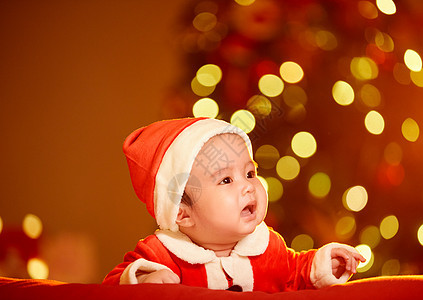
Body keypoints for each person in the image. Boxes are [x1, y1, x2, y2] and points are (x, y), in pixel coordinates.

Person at [103, 117, 365, 292]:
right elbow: (109, 287)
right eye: (226, 179)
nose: (248, 186)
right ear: (182, 213)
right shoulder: (162, 255)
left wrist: (323, 263)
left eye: (250, 173)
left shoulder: (266, 247)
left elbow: (295, 272)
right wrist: (145, 280)